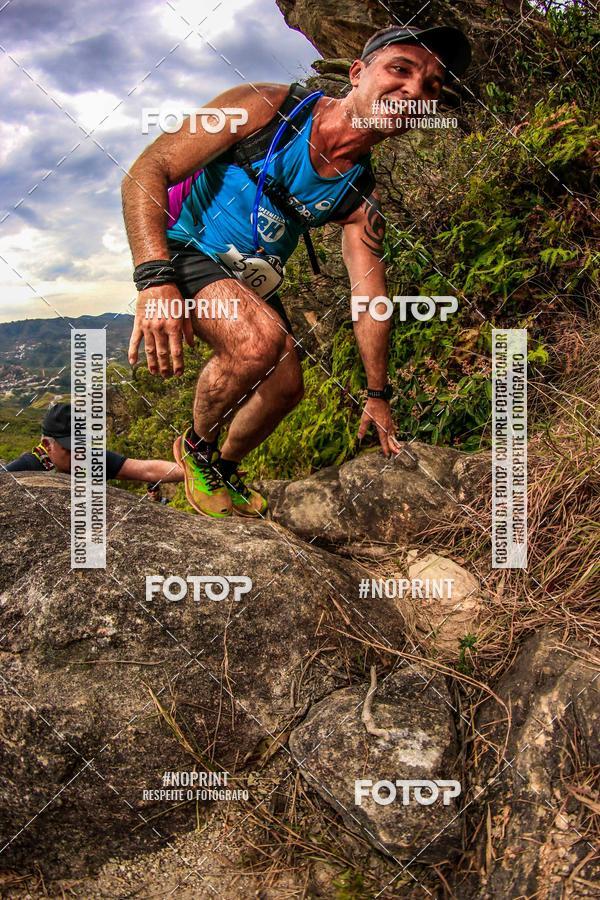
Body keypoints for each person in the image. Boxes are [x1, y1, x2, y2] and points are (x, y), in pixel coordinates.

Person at [123, 25, 471, 519]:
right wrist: (154, 279)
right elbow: (146, 170)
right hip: (185, 246)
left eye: (432, 86)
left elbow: (369, 299)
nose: (415, 91)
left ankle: (220, 468)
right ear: (357, 73)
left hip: (249, 279)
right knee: (258, 342)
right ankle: (197, 449)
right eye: (401, 69)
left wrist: (377, 394)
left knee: (286, 389)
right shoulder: (266, 106)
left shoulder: (359, 197)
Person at [2, 402, 184, 486]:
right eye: (70, 448)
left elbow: (146, 469)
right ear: (47, 445)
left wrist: (191, 474)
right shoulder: (23, 469)